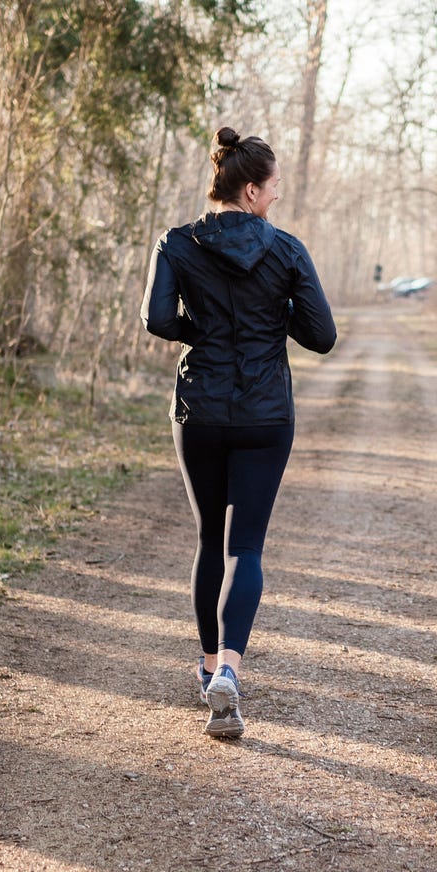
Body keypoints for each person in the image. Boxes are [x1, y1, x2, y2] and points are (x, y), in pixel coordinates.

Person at [142, 127, 336, 740]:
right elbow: (322, 336)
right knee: (244, 547)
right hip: (264, 414)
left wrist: (202, 333)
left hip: (199, 410)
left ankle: (207, 672)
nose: (278, 196)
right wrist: (271, 315)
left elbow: (156, 319)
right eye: (274, 186)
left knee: (208, 539)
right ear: (251, 189)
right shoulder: (287, 251)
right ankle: (230, 666)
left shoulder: (176, 243)